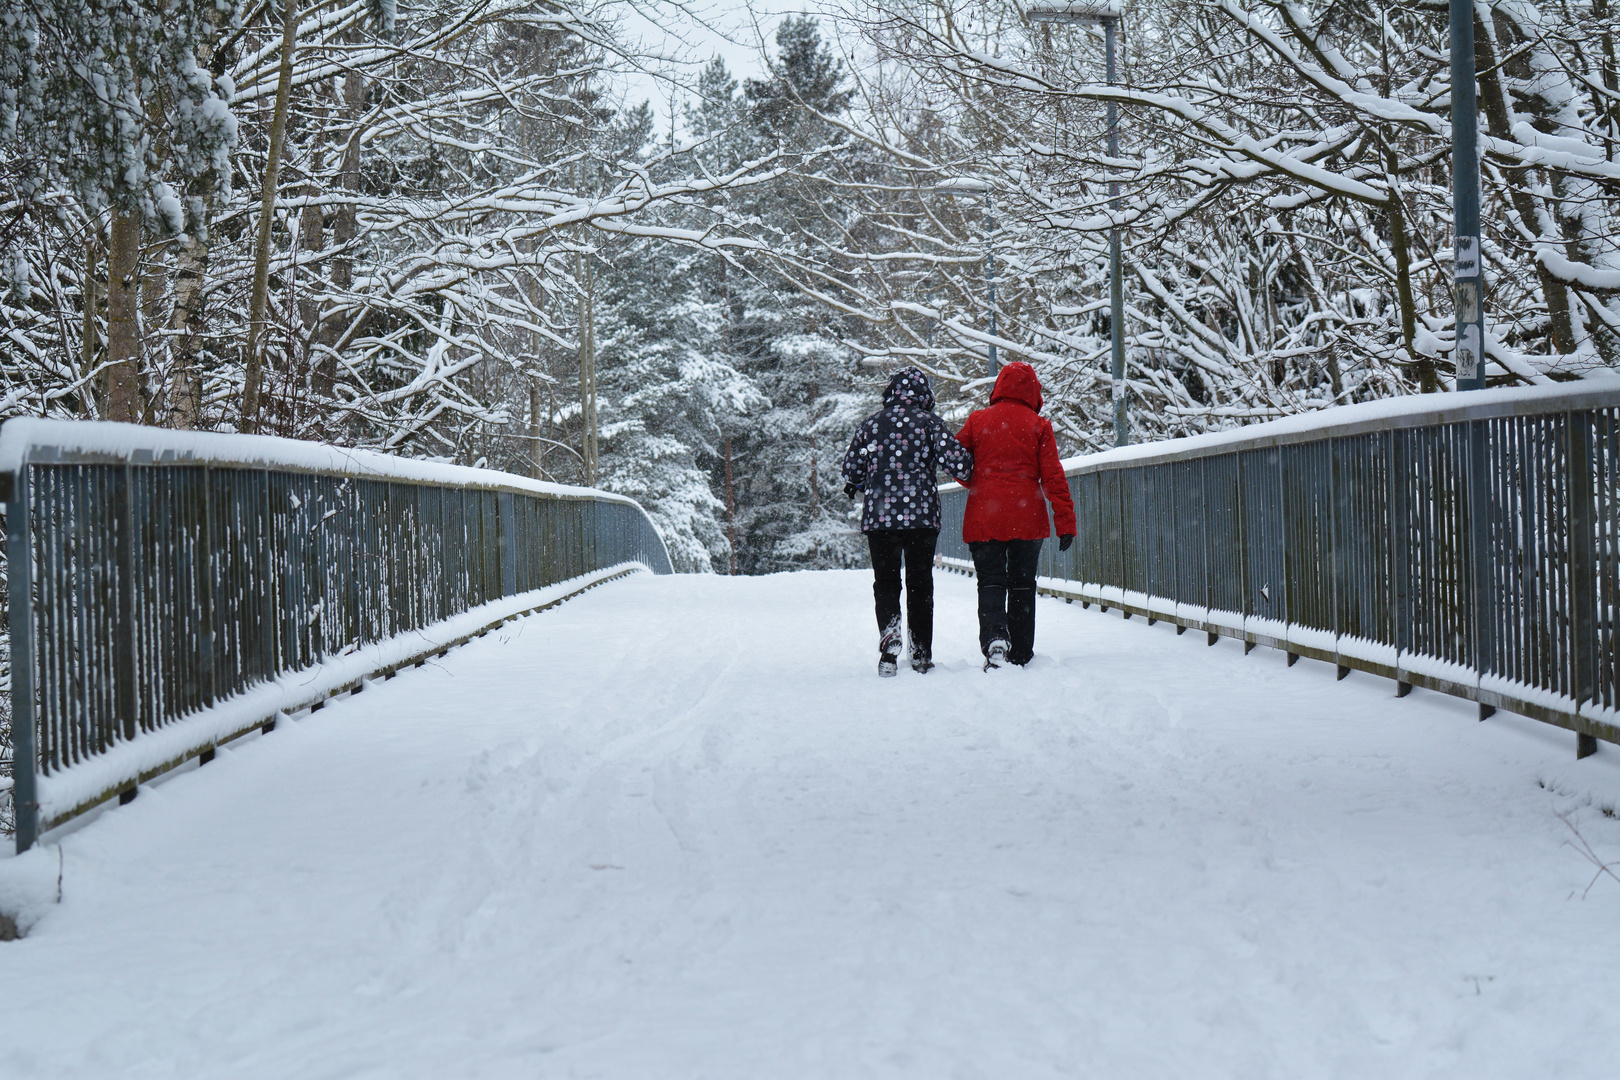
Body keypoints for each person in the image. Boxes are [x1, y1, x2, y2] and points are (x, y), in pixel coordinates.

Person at [842, 367, 974, 677]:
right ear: (924, 395)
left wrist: (868, 477)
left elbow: (851, 470)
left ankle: (890, 633)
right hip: (921, 516)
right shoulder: (929, 424)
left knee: (886, 582)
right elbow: (960, 465)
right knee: (920, 583)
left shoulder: (870, 426)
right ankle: (921, 652)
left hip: (880, 517)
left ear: (890, 392)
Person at [955, 362, 1077, 669]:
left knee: (991, 582)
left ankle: (995, 638)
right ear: (1033, 391)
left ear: (998, 388)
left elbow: (954, 459)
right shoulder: (1038, 425)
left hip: (986, 517)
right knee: (1022, 584)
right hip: (1027, 518)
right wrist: (1065, 522)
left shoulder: (978, 421)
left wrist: (976, 482)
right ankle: (1021, 650)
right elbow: (1053, 478)